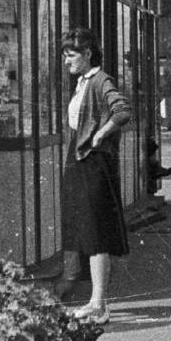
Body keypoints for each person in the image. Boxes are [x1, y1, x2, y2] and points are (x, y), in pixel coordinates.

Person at [58, 27, 130, 325]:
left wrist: (100, 135)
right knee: (87, 230)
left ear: (87, 53)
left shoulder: (100, 79)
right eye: (65, 56)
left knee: (96, 232)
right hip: (82, 162)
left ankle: (99, 305)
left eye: (71, 55)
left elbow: (122, 110)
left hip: (94, 165)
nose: (67, 62)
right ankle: (95, 301)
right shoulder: (83, 81)